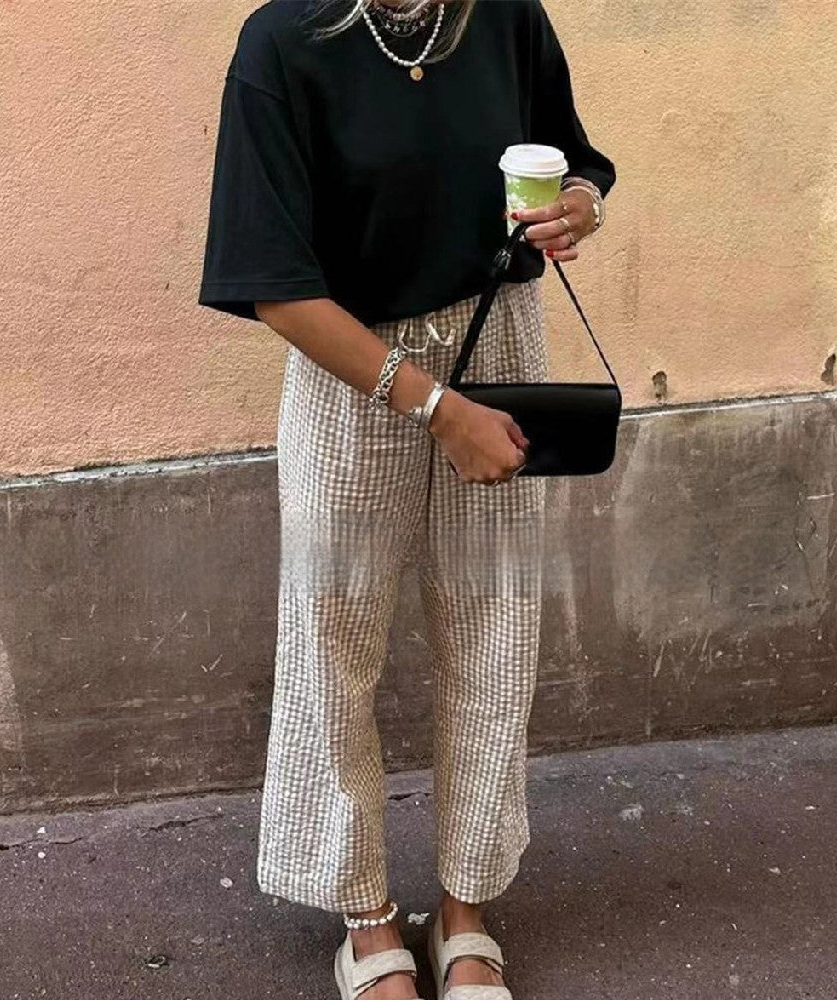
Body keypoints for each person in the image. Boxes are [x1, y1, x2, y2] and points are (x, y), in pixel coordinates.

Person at [198, 1, 616, 997]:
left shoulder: (506, 16)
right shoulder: (283, 43)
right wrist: (435, 408)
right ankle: (366, 915)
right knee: (332, 638)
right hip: (356, 377)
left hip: (498, 342)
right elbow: (273, 282)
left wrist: (580, 204)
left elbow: (576, 162)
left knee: (493, 623)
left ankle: (465, 905)